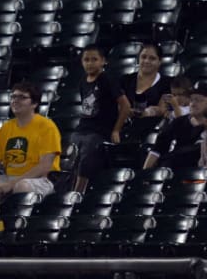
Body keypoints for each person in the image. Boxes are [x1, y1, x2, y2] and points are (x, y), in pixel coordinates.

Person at [70, 45, 131, 193]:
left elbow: (125, 106)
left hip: (100, 130)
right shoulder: (82, 81)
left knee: (88, 146)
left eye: (94, 59)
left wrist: (116, 130)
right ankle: (66, 188)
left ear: (103, 61)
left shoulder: (108, 79)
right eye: (86, 60)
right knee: (71, 148)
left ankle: (78, 192)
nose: (90, 63)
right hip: (83, 128)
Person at [0, 82, 61, 198]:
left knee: (22, 185)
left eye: (22, 97)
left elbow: (44, 166)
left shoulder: (47, 126)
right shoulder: (6, 128)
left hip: (40, 180)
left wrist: (12, 184)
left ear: (34, 104)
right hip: (9, 177)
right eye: (13, 97)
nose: (15, 100)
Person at [142, 81, 207, 170]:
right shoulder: (177, 122)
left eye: (199, 100)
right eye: (192, 99)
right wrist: (145, 174)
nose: (193, 104)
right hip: (172, 172)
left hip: (196, 176)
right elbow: (157, 150)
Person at [119, 43, 171, 140]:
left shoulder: (167, 82)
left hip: (151, 130)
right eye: (143, 57)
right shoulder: (125, 80)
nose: (147, 61)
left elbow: (162, 109)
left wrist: (147, 112)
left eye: (152, 58)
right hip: (124, 127)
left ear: (160, 61)